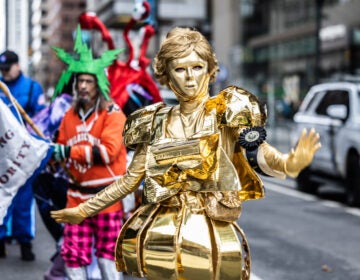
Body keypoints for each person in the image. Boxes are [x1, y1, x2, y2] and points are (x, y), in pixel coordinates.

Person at [51, 27, 321, 280]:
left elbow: (256, 151)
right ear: (166, 74)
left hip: (211, 232)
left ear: (210, 69)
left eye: (197, 67)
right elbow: (129, 180)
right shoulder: (154, 120)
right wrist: (84, 210)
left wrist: (287, 164)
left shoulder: (224, 111)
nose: (190, 77)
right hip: (160, 234)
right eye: (180, 69)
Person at [50, 26, 127, 280]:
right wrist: (51, 154)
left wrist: (68, 151)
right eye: (79, 81)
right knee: (72, 255)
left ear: (99, 85)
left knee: (108, 257)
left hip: (106, 199)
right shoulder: (67, 117)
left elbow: (108, 152)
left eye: (88, 81)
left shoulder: (113, 114)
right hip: (76, 200)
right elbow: (60, 154)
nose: (82, 86)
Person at [0, 49, 46, 261]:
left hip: (25, 153)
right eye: (2, 70)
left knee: (24, 198)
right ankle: (1, 239)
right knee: (2, 196)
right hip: (3, 152)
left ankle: (25, 242)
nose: (5, 73)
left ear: (17, 65)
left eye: (8, 68)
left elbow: (42, 119)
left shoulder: (32, 88)